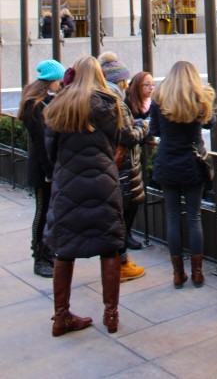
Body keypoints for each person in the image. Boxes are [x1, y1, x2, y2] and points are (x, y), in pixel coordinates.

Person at [43, 55, 125, 336]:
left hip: (68, 182)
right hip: (102, 180)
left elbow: (50, 149)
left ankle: (60, 316)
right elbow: (115, 141)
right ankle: (111, 315)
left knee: (63, 250)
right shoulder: (110, 104)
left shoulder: (59, 103)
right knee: (109, 246)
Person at [149, 61, 215, 289]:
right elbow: (211, 123)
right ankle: (197, 273)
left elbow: (154, 131)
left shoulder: (160, 98)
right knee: (194, 217)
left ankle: (178, 274)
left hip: (168, 162)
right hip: (193, 162)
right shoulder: (199, 97)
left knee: (173, 218)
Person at [99, 53, 150, 266]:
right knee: (122, 212)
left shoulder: (103, 97)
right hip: (123, 165)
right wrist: (143, 126)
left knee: (120, 213)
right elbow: (127, 135)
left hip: (112, 164)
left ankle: (120, 255)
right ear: (119, 80)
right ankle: (120, 262)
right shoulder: (116, 101)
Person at [17, 58, 66, 278]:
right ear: (51, 80)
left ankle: (47, 252)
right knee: (43, 211)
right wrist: (49, 171)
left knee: (49, 212)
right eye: (59, 79)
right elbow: (41, 140)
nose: (61, 83)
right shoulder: (34, 104)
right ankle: (40, 256)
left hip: (49, 166)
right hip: (42, 168)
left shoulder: (44, 101)